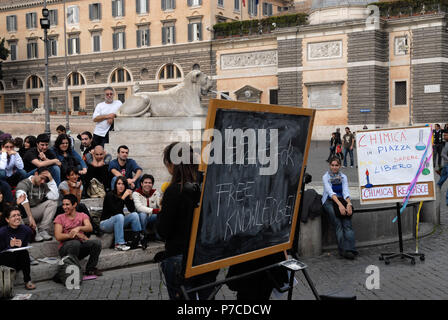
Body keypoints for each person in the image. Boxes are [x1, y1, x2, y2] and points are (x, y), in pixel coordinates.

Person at [156, 142, 218, 300]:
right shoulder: (206, 187)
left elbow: (163, 231)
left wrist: (162, 210)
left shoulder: (174, 191)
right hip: (205, 255)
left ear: (171, 165)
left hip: (179, 256)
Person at [54, 194, 102, 277]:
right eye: (63, 205)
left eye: (67, 204)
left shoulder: (82, 215)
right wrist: (73, 235)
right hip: (66, 249)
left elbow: (89, 227)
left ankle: (90, 268)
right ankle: (73, 270)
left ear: (75, 205)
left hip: (79, 247)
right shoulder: (59, 217)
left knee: (97, 243)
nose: (64, 207)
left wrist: (79, 228)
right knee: (75, 243)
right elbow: (58, 236)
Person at [322, 156, 357, 260]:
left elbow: (346, 191)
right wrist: (341, 205)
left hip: (342, 200)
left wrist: (349, 204)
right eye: (332, 165)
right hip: (329, 201)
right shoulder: (326, 177)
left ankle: (351, 249)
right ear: (329, 166)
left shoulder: (343, 177)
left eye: (336, 165)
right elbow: (330, 192)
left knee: (347, 223)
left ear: (340, 166)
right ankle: (343, 250)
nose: (334, 167)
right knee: (338, 223)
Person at [16, 166, 59, 242]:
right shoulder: (24, 183)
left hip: (35, 211)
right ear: (36, 174)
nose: (43, 181)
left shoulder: (43, 185)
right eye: (41, 178)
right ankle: (34, 232)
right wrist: (30, 217)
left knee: (53, 203)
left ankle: (43, 230)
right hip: (24, 214)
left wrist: (51, 179)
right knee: (23, 206)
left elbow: (55, 196)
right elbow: (23, 201)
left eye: (45, 179)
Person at [99, 176, 142, 251]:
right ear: (115, 185)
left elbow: (132, 210)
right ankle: (119, 244)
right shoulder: (109, 195)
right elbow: (115, 211)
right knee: (119, 216)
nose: (121, 186)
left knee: (134, 215)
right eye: (119, 184)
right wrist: (123, 197)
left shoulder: (124, 195)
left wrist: (130, 197)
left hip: (119, 222)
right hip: (105, 224)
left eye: (123, 184)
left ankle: (137, 240)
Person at [0, 206, 35, 290]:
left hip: (18, 260)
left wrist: (22, 245)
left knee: (24, 253)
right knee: (8, 254)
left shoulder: (26, 230)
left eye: (18, 215)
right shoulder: (2, 231)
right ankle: (7, 281)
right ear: (7, 220)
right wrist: (9, 246)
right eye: (14, 216)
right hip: (5, 262)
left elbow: (30, 240)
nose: (17, 217)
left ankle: (27, 280)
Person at [132, 174, 161, 247]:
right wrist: (154, 210)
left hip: (151, 218)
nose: (147, 184)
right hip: (140, 218)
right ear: (141, 184)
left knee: (160, 214)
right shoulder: (136, 193)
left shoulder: (156, 193)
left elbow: (160, 205)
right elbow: (139, 207)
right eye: (145, 182)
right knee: (143, 214)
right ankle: (142, 236)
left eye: (150, 183)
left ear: (152, 184)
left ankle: (159, 235)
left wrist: (160, 208)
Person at [437, 132, 448, 205]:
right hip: (446, 165)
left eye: (446, 135)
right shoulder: (447, 144)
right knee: (441, 181)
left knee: (441, 181)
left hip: (446, 165)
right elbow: (442, 154)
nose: (444, 136)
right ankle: (437, 193)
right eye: (444, 135)